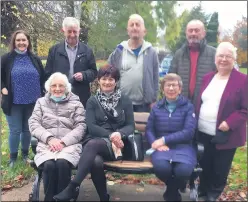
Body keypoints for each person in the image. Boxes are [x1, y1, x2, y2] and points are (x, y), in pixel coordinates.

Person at [54, 64, 135, 201]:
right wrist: (110, 135)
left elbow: (130, 125)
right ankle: (104, 198)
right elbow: (91, 127)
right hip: (97, 142)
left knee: (92, 145)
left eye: (111, 79)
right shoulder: (92, 101)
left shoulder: (125, 100)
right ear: (98, 80)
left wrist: (119, 134)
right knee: (96, 161)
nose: (107, 82)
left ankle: (72, 187)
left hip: (117, 146)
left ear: (116, 81)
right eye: (104, 79)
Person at [196, 42, 248, 201]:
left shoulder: (242, 80)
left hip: (226, 134)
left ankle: (213, 194)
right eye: (220, 56)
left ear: (234, 59)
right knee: (204, 165)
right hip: (203, 131)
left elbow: (245, 109)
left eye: (228, 56)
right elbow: (201, 102)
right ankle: (202, 191)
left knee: (220, 168)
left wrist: (229, 123)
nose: (223, 59)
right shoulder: (208, 78)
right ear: (215, 58)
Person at [28, 72, 86, 201]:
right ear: (49, 88)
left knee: (62, 163)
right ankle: (49, 198)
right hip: (47, 143)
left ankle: (62, 198)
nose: (57, 89)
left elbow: (81, 127)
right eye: (54, 85)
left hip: (69, 144)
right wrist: (49, 139)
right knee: (48, 165)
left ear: (67, 88)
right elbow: (33, 123)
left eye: (61, 85)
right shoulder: (41, 102)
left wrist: (63, 142)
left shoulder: (76, 103)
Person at [145, 73, 197, 201]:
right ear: (163, 89)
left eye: (175, 85)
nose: (171, 88)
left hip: (183, 147)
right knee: (162, 168)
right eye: (168, 85)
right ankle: (173, 191)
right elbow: (149, 129)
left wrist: (163, 140)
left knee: (183, 171)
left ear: (180, 89)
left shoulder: (188, 107)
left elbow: (188, 132)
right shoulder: (156, 107)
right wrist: (155, 143)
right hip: (161, 148)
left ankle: (171, 191)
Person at [1, 30, 46, 168]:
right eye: (18, 40)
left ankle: (25, 155)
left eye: (24, 40)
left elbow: (43, 77)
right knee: (15, 130)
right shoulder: (6, 58)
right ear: (14, 42)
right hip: (14, 101)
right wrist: (2, 88)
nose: (21, 43)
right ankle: (13, 158)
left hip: (33, 101)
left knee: (27, 130)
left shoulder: (34, 58)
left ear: (28, 42)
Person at [108, 14, 159, 112]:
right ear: (128, 30)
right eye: (132, 25)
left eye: (138, 25)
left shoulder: (151, 52)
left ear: (144, 31)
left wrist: (154, 100)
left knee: (142, 127)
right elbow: (108, 72)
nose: (134, 27)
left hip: (144, 105)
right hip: (121, 103)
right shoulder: (119, 50)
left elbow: (156, 78)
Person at [45, 17, 98, 107]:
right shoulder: (54, 50)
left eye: (75, 31)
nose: (72, 35)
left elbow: (94, 72)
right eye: (69, 31)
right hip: (58, 97)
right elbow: (48, 74)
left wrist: (84, 75)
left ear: (79, 31)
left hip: (81, 97)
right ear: (63, 31)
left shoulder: (87, 50)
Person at [169, 19, 216, 105]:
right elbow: (170, 79)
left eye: (197, 31)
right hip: (181, 104)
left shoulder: (214, 54)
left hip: (205, 105)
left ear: (204, 33)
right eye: (190, 31)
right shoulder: (179, 54)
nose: (193, 33)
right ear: (186, 33)